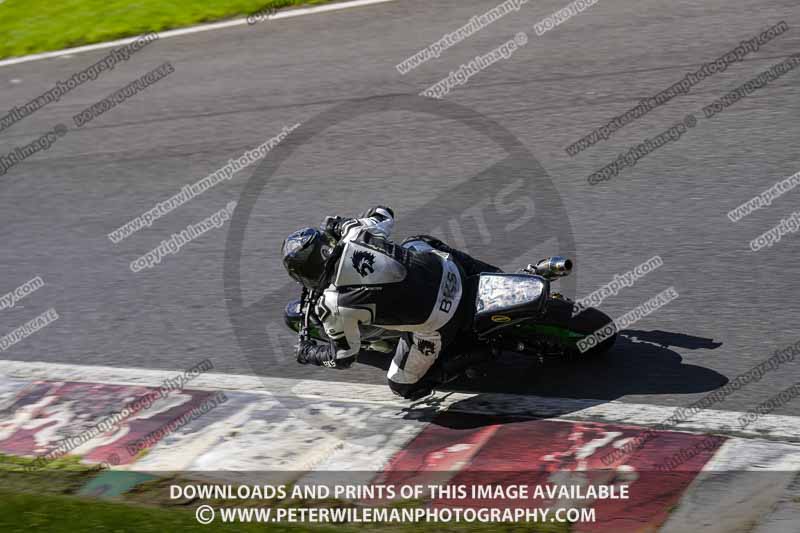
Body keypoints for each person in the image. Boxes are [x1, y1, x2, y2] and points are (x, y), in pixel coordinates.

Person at [281, 206, 500, 400]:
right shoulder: (355, 233)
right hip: (451, 270)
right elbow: (384, 212)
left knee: (401, 385)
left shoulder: (332, 306)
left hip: (441, 318)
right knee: (417, 242)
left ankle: (476, 354)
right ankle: (494, 274)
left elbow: (343, 358)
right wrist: (339, 223)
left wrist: (309, 353)